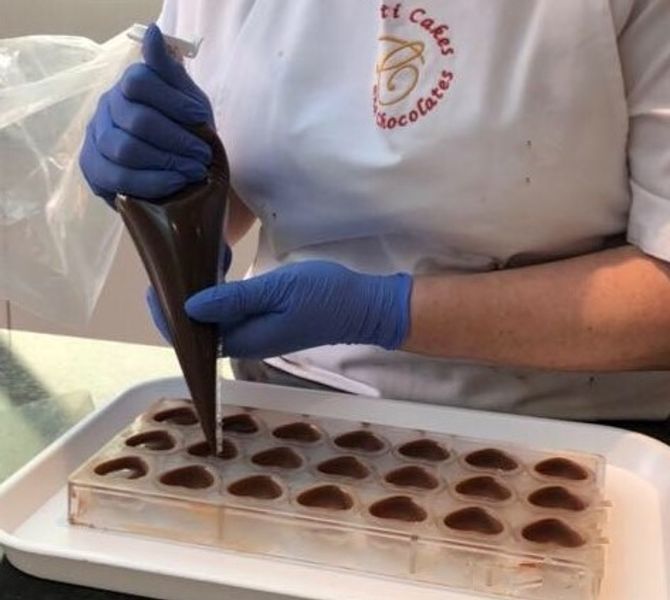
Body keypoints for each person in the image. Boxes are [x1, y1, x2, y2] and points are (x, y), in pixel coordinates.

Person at [80, 1, 670, 422]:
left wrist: (386, 311)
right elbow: (242, 171)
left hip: (574, 427)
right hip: (288, 400)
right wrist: (177, 196)